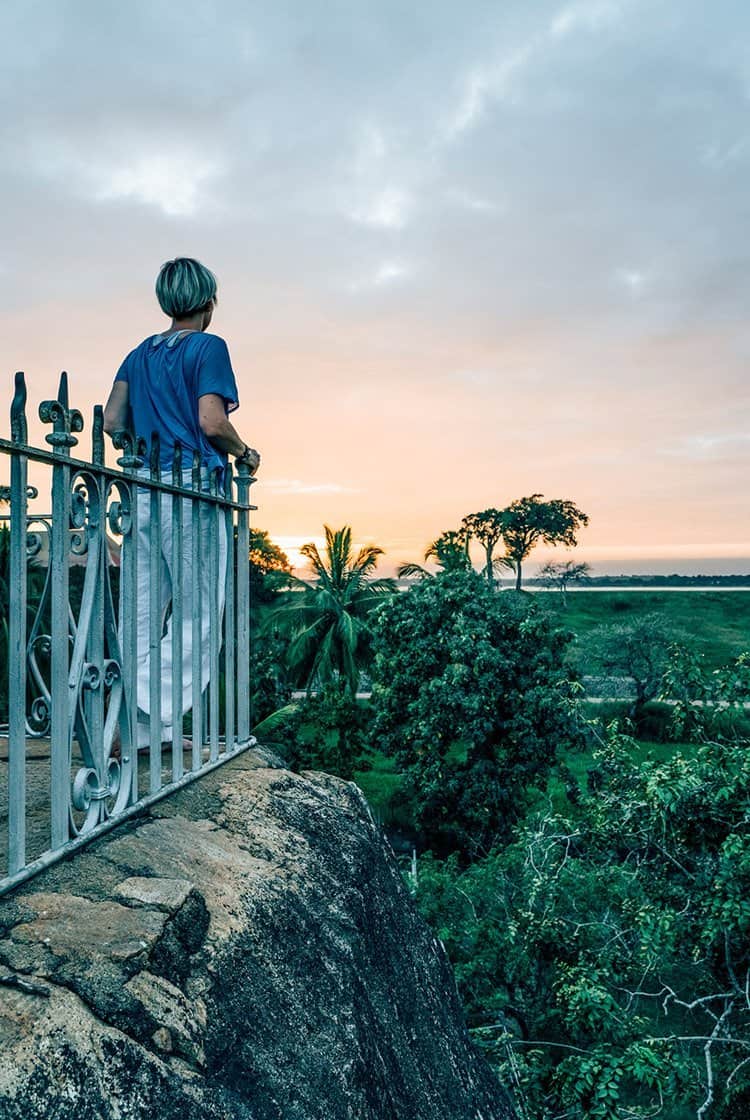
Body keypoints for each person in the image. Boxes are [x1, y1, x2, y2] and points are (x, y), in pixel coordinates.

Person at [103, 257, 259, 750]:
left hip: (142, 492)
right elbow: (212, 422)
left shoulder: (138, 354)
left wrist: (144, 437)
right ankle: (140, 702)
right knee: (198, 617)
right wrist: (245, 451)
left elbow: (111, 421)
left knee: (142, 614)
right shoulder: (209, 347)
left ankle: (146, 730)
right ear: (208, 302)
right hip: (190, 490)